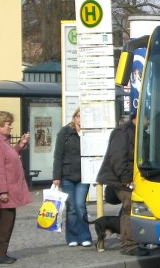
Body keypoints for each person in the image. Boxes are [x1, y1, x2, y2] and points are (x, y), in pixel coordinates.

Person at [96, 110, 150, 256]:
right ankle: (129, 245)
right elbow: (118, 158)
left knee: (135, 208)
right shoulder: (122, 132)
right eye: (147, 118)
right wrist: (126, 179)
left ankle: (136, 239)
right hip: (119, 179)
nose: (149, 122)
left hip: (132, 178)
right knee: (129, 208)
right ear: (138, 117)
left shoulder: (141, 133)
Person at [0, 111, 31, 264]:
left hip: (8, 189)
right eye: (8, 124)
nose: (11, 127)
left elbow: (9, 158)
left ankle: (1, 253)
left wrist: (20, 145)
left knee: (7, 221)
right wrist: (2, 191)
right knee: (3, 223)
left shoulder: (1, 140)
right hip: (3, 191)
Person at [52, 107, 92, 248]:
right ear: (74, 117)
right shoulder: (65, 132)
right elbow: (58, 155)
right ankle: (72, 237)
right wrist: (56, 176)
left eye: (83, 116)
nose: (81, 119)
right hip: (67, 174)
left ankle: (85, 236)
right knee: (72, 207)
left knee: (81, 206)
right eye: (79, 116)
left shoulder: (90, 133)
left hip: (84, 175)